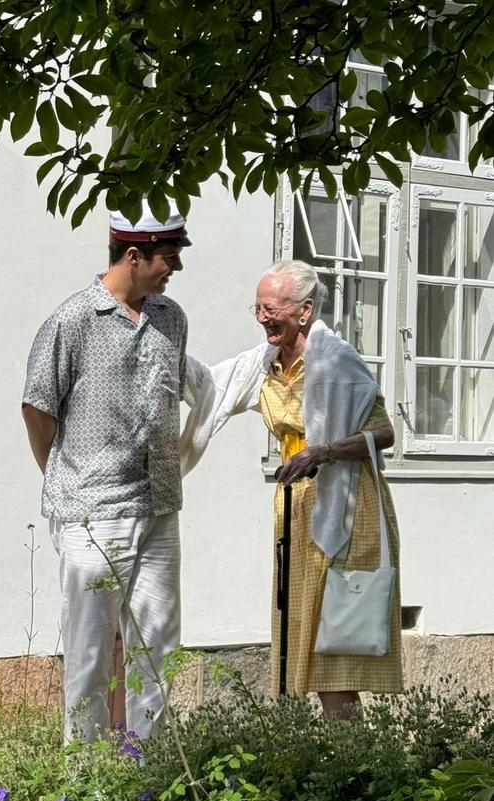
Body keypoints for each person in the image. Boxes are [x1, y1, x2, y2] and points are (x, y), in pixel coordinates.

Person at [181, 260, 402, 718]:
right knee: (301, 629)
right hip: (296, 504)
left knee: (334, 638)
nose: (261, 317)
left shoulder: (336, 361)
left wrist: (326, 451)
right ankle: (329, 758)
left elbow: (385, 434)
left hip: (345, 504)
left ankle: (353, 761)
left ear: (303, 311)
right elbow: (208, 387)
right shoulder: (262, 365)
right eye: (257, 308)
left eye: (270, 307)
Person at [22, 204, 190, 742]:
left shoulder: (171, 318)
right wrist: (67, 476)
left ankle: (150, 775)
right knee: (91, 655)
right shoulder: (71, 321)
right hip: (92, 513)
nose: (175, 269)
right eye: (169, 258)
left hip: (160, 505)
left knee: (158, 651)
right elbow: (37, 408)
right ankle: (87, 785)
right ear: (134, 255)